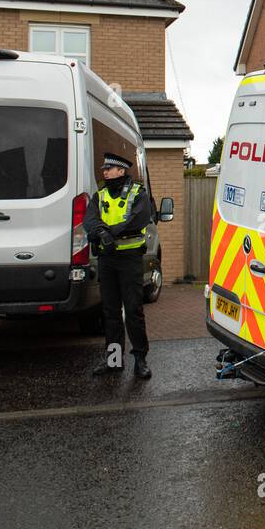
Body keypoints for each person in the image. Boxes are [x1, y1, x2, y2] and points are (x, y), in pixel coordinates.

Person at [84, 151, 153, 379]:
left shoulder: (138, 194)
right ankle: (114, 360)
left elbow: (139, 218)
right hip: (107, 261)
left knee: (133, 311)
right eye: (104, 169)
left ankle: (140, 360)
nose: (104, 172)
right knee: (110, 312)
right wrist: (101, 232)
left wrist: (111, 233)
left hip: (130, 260)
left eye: (108, 169)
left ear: (121, 171)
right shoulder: (100, 196)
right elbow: (90, 220)